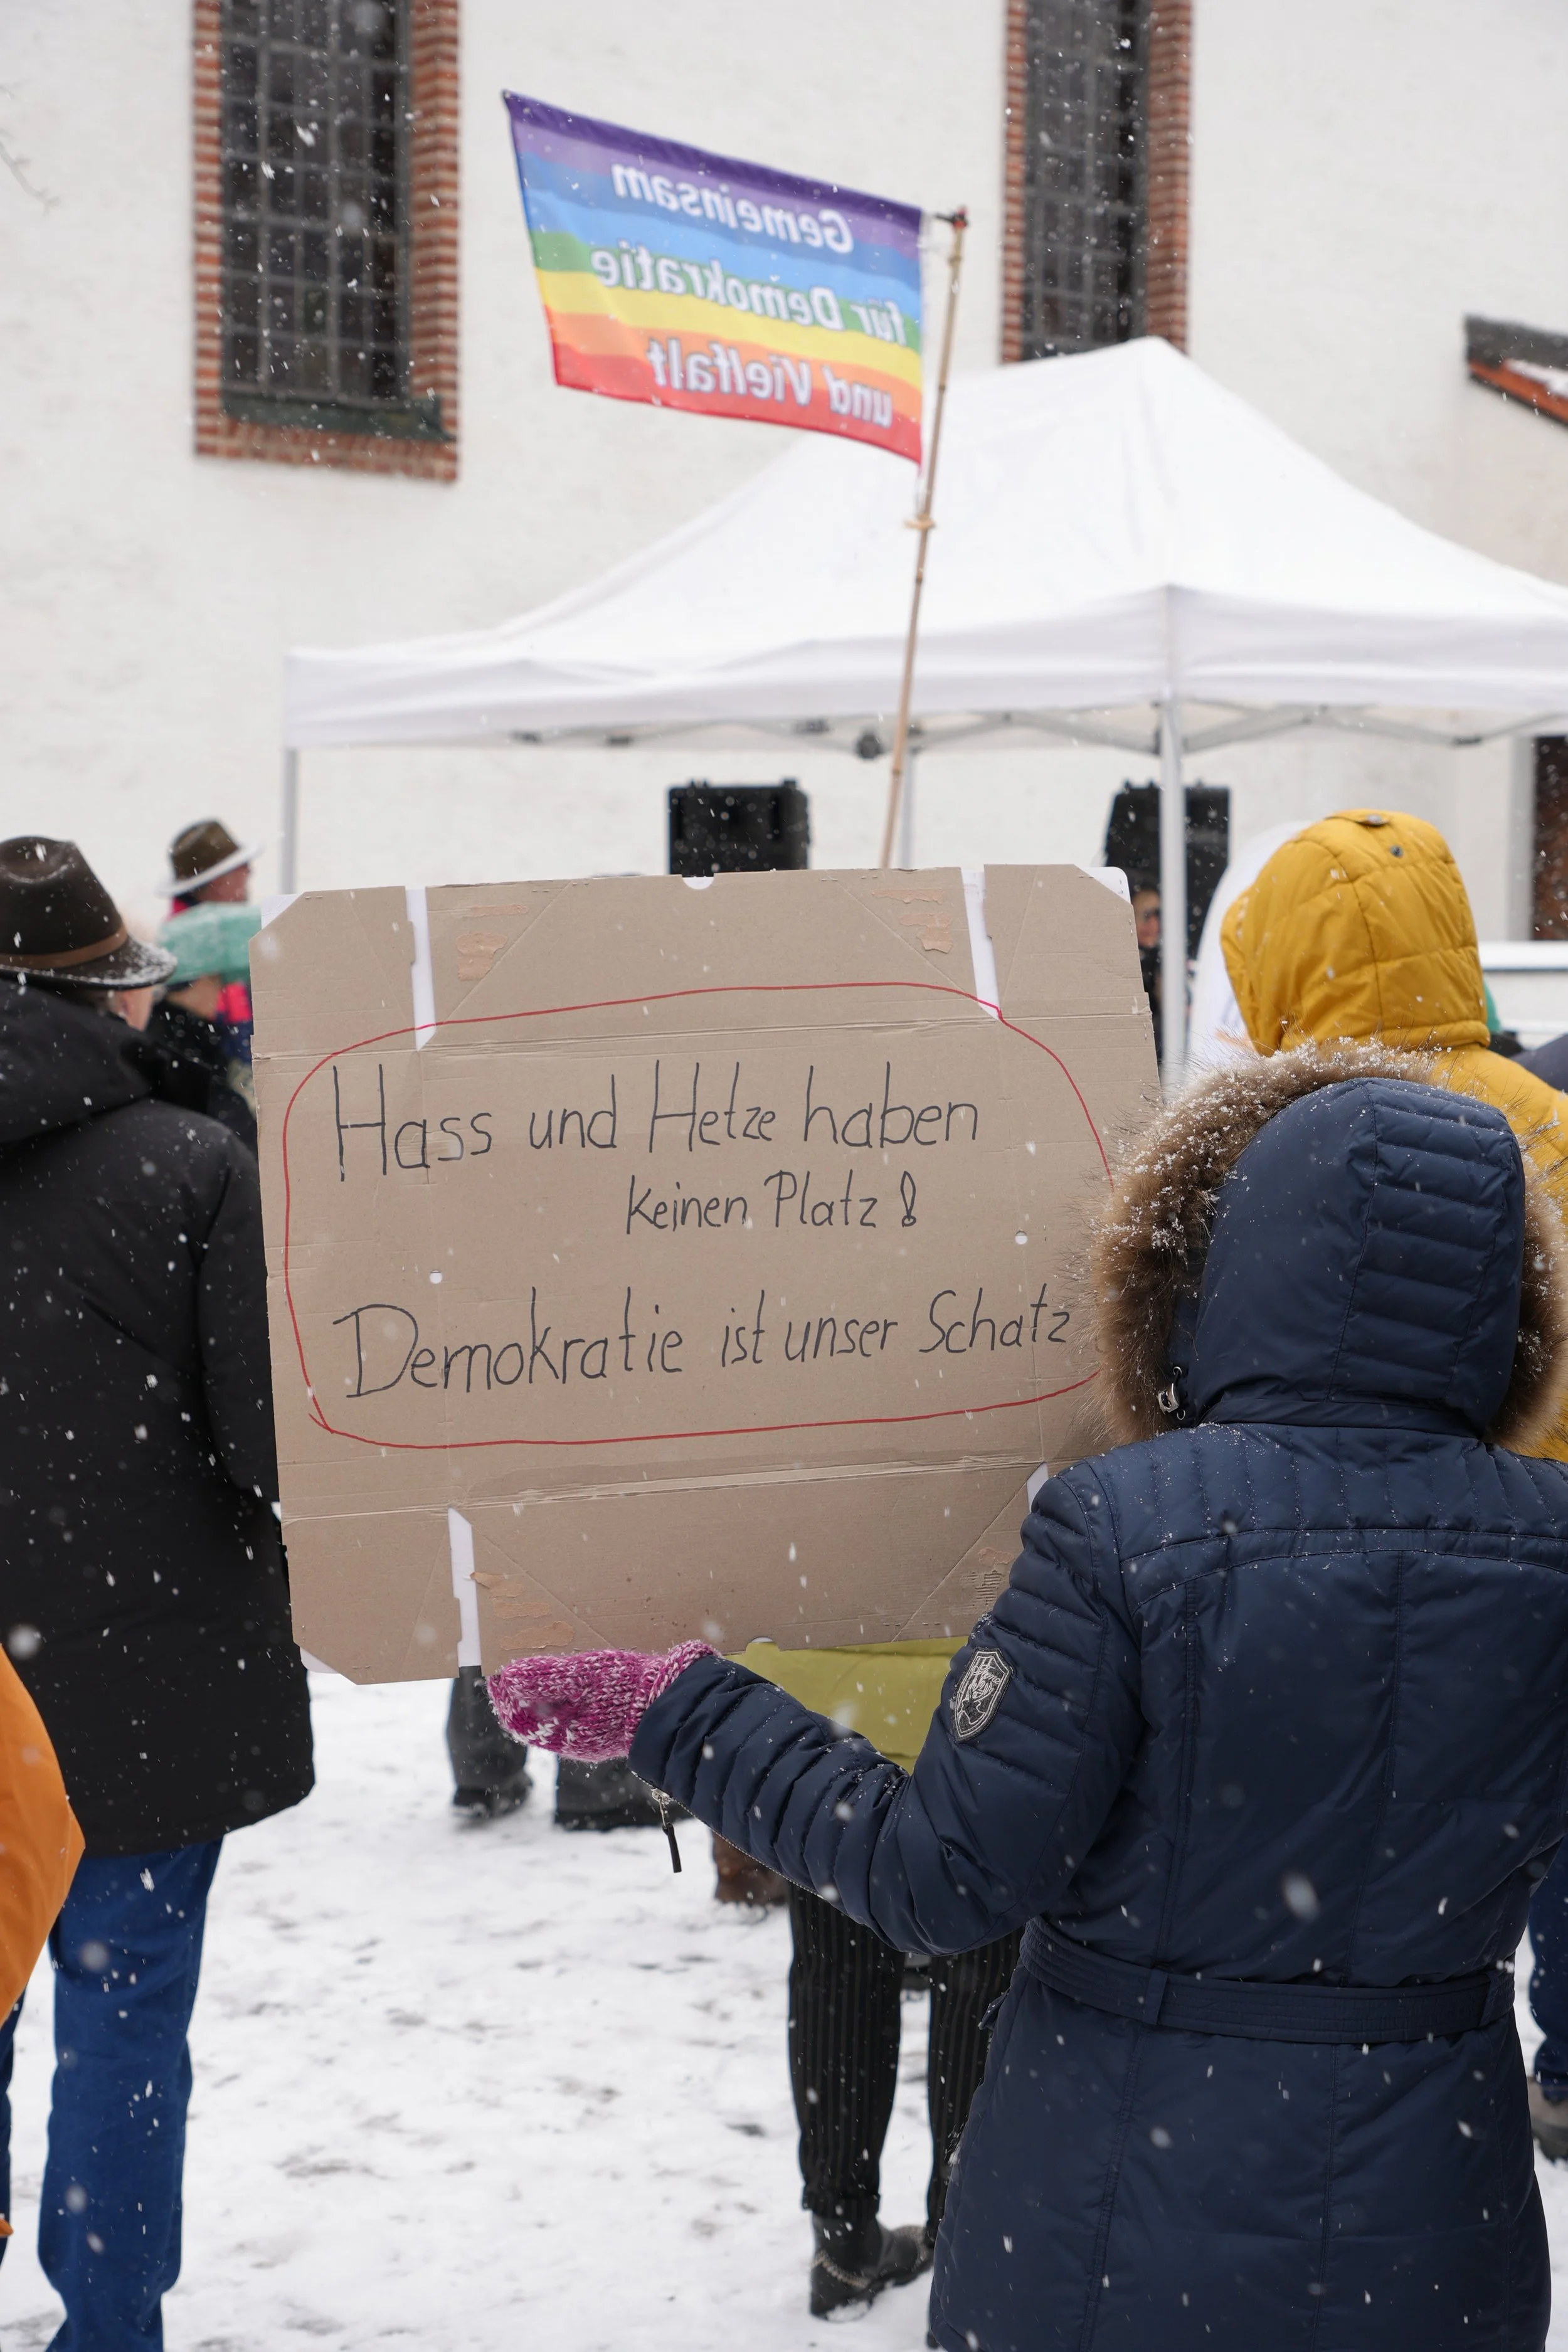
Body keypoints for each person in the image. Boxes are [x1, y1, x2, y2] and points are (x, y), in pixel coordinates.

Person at [489, 1046, 1568, 2351]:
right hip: (1437, 2231)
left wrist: (677, 1709)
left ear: (1225, 1266)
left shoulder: (1131, 1529)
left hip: (1115, 2210)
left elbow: (939, 1877)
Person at [1216, 806, 1568, 2161]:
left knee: (1387, 1871)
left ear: (1279, 970)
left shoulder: (1293, 1153)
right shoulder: (1549, 1124)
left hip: (1365, 1576)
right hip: (1545, 1552)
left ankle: (1379, 2098)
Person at [0, 836, 313, 2348]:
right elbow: (268, 1443)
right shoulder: (188, 1164)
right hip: (149, 1681)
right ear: (108, 998)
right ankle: (109, 2327)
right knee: (122, 2026)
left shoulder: (186, 1156)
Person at [726, 1640, 1017, 2316]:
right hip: (979, 1715)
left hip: (824, 1719)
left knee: (839, 1979)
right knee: (983, 1984)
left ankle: (842, 2242)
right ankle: (964, 2239)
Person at [145, 901, 262, 1154]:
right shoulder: (183, 1041)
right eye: (216, 980)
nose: (220, 992)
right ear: (194, 980)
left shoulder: (167, 1031)